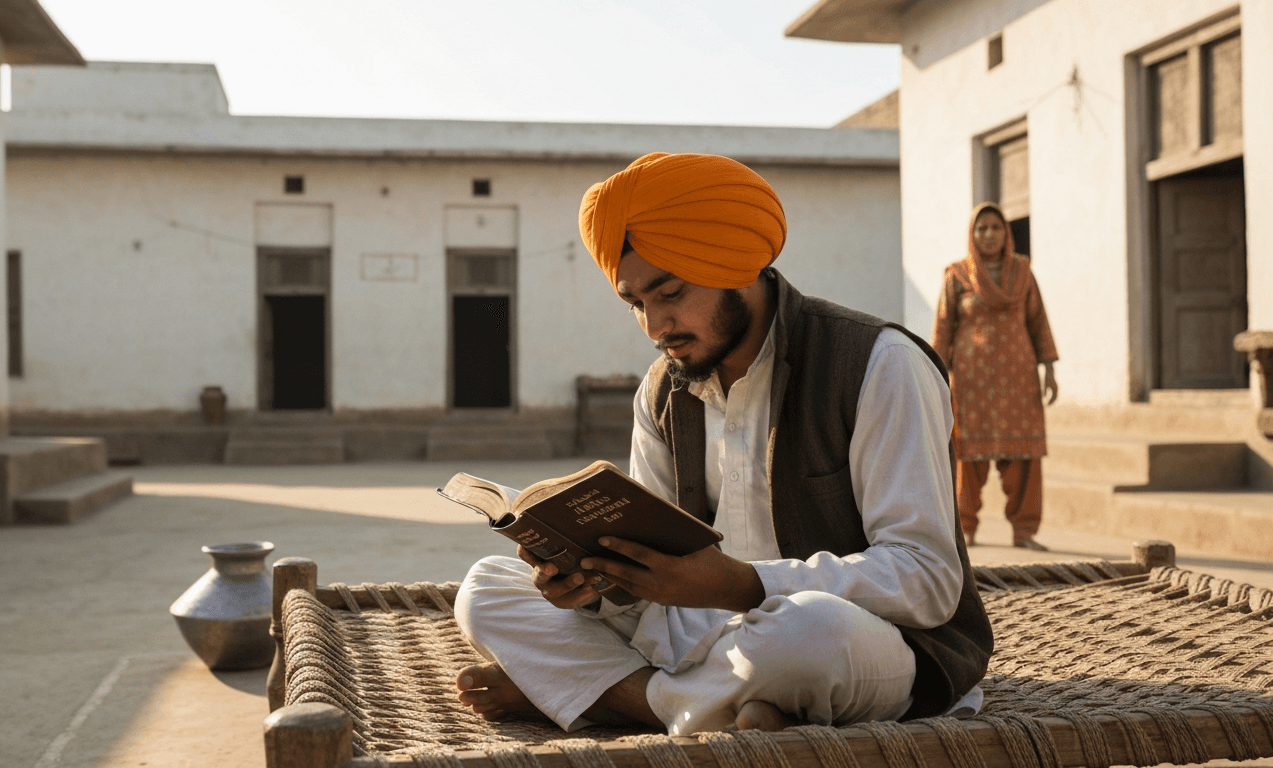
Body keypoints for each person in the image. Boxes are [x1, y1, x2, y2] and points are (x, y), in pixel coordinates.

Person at [453, 153, 992, 736]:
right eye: (637, 304)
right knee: (485, 588)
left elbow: (927, 579)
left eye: (671, 293)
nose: (656, 327)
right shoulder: (661, 391)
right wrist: (591, 589)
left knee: (807, 632)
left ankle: (617, 699)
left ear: (736, 263)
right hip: (702, 635)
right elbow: (649, 581)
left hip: (862, 643)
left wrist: (744, 584)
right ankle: (711, 706)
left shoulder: (879, 364)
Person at [930, 204, 1059, 551]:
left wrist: (1049, 370)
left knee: (1025, 460)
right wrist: (934, 375)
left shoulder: (1023, 273)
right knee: (967, 458)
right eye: (981, 228)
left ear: (1007, 233)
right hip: (972, 383)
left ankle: (1025, 531)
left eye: (995, 228)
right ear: (972, 235)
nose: (989, 234)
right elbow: (943, 329)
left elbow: (1038, 321)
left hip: (1019, 379)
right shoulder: (957, 276)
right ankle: (965, 530)